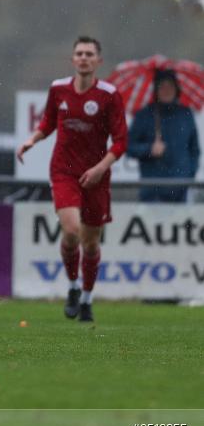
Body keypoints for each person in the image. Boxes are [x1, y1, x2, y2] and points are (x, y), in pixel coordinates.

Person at [17, 37, 128, 323]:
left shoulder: (109, 94)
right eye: (79, 53)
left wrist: (101, 168)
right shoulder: (58, 89)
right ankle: (73, 286)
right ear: (72, 59)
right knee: (71, 230)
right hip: (63, 170)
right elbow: (48, 122)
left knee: (91, 244)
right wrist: (32, 139)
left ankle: (88, 299)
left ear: (98, 61)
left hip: (97, 175)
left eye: (89, 54)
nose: (83, 58)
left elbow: (120, 142)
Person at [127, 69, 200, 203]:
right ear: (156, 90)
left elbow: (194, 149)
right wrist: (149, 149)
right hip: (152, 191)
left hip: (181, 191)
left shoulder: (186, 114)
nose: (166, 90)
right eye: (162, 86)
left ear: (176, 89)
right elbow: (129, 147)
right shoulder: (143, 115)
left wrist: (190, 173)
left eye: (170, 86)